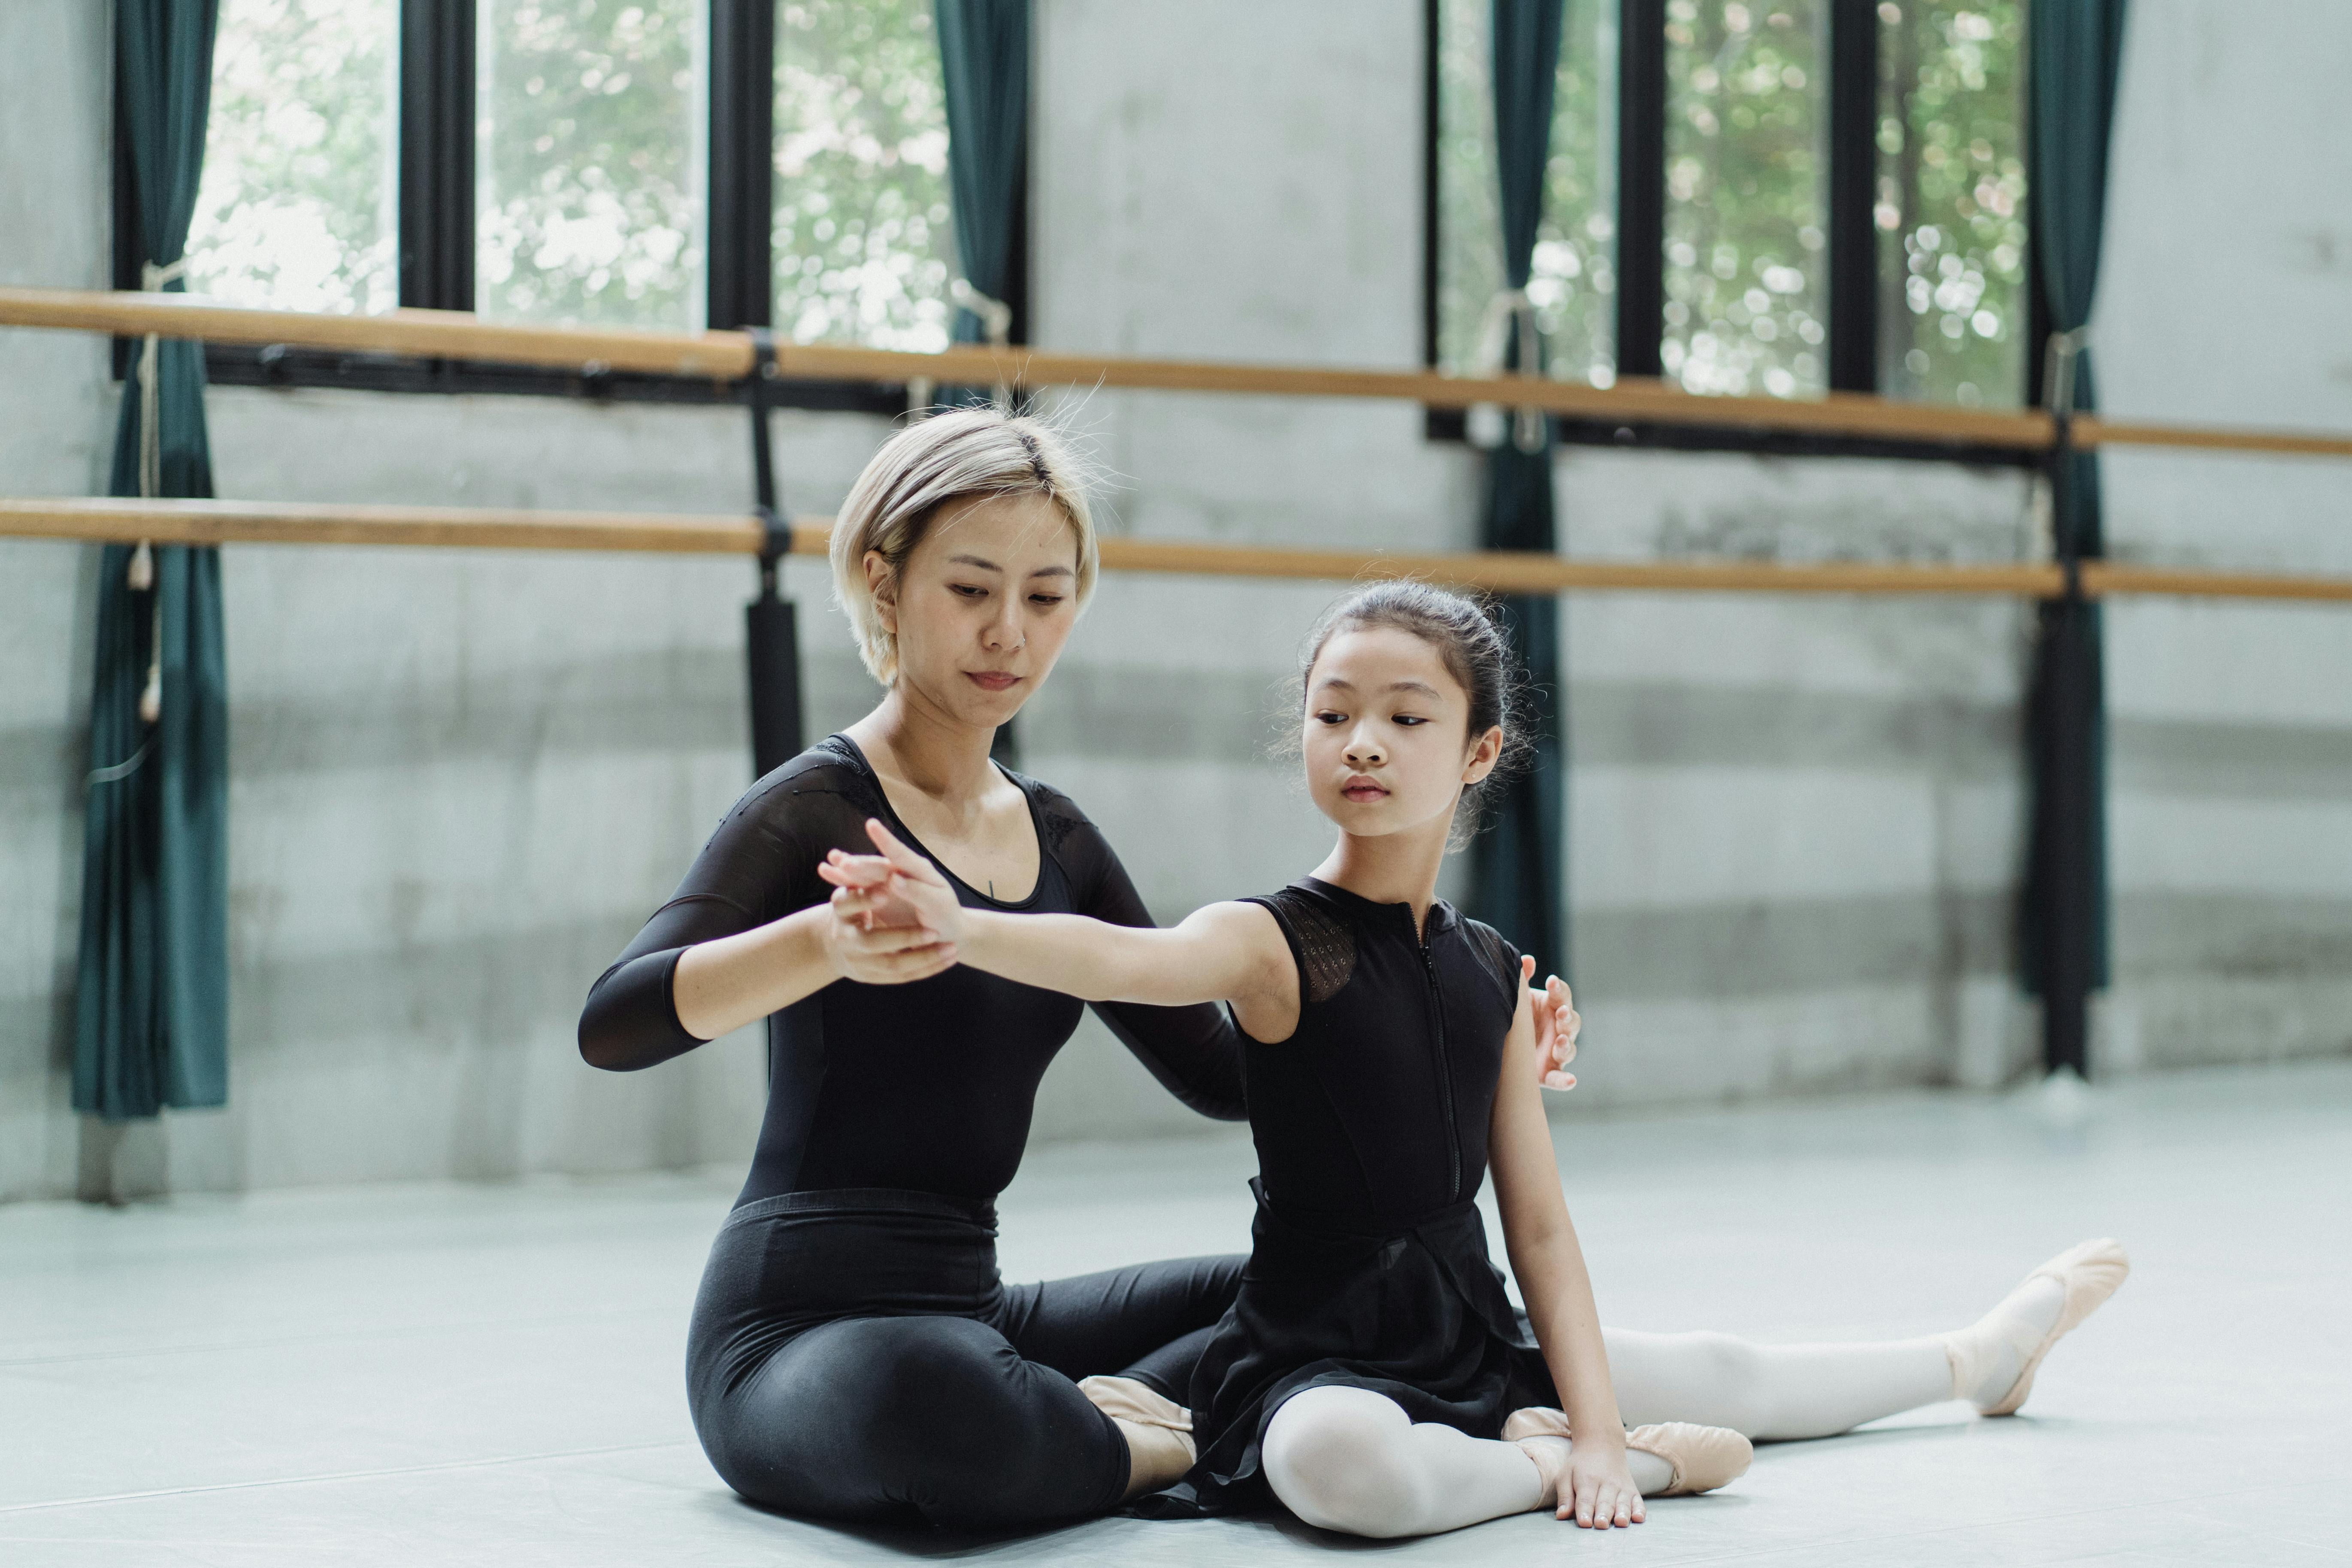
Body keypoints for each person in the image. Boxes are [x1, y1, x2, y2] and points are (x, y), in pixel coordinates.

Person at [819, 580, 2131, 1539]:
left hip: (1465, 1326)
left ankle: (1971, 1356)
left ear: (1479, 752)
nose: (1365, 743)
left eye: (1403, 716)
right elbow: (1122, 960)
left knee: (1721, 1366)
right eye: (1335, 715)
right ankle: (1550, 1459)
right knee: (1340, 1472)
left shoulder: (1491, 971)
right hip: (1313, 1351)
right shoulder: (1273, 939)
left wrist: (1606, 1421)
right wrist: (961, 925)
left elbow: (1541, 1229)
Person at [576, 408, 1587, 1532]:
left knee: (1342, 1285)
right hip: (798, 1338)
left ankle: (1219, 1421)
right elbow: (615, 1026)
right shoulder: (815, 807)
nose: (1008, 631)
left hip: (977, 1308)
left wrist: (1451, 1045)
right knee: (947, 1398)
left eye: (1045, 598)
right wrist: (820, 943)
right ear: (883, 582)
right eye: (970, 591)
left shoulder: (1058, 840)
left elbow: (1216, 1072)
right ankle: (1183, 1440)